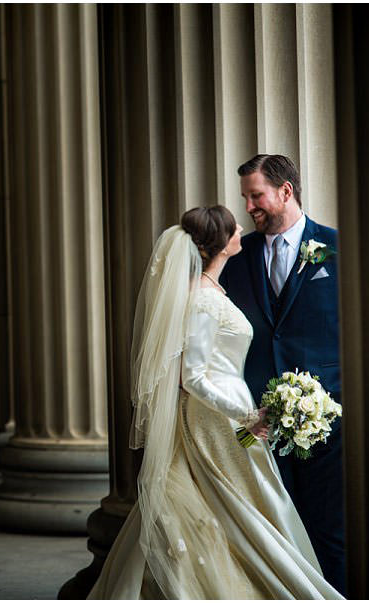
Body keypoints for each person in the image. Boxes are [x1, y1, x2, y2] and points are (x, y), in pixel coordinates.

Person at [87, 206, 342, 599]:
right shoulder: (204, 300)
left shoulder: (215, 289)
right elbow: (192, 378)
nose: (242, 225)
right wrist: (246, 415)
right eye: (232, 225)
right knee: (234, 499)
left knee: (240, 501)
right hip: (219, 419)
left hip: (231, 411)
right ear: (222, 245)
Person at [220, 154, 345, 595]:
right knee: (271, 528)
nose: (249, 207)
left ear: (285, 191)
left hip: (326, 417)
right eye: (246, 198)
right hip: (255, 423)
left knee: (330, 528)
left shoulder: (336, 246)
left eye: (256, 196)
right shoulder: (236, 255)